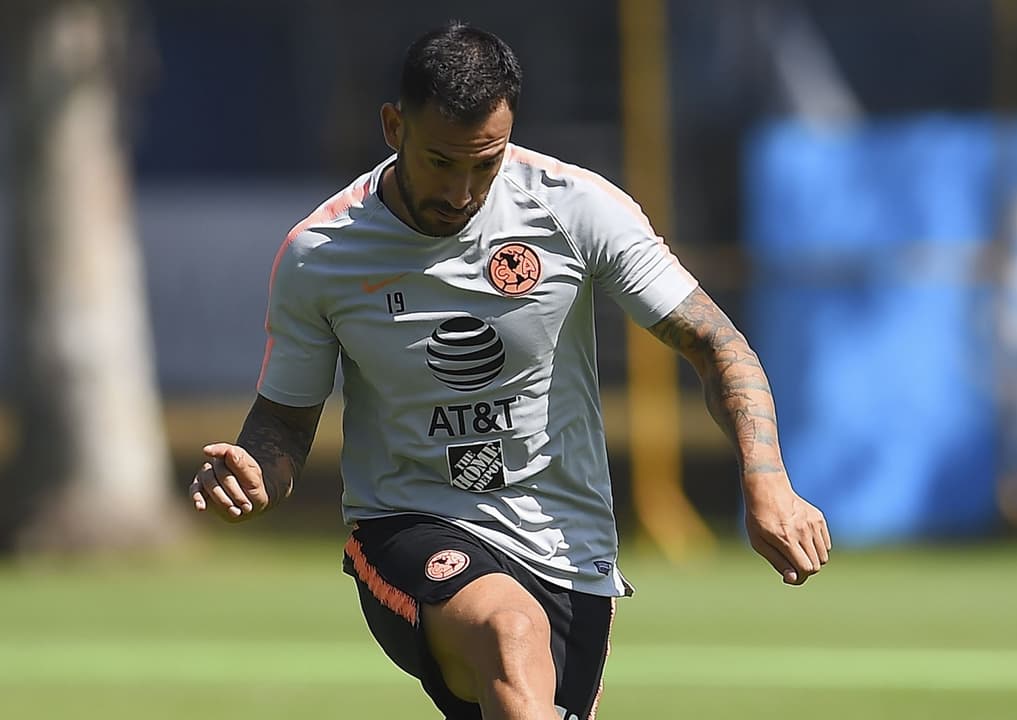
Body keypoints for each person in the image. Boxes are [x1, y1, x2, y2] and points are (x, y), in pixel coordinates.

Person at [189, 21, 830, 720]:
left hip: (567, 543)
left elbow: (716, 344)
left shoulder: (577, 208)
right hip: (409, 523)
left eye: (485, 163)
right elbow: (284, 423)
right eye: (440, 161)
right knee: (509, 630)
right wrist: (256, 472)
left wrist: (766, 479)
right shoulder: (323, 254)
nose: (462, 191)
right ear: (393, 126)